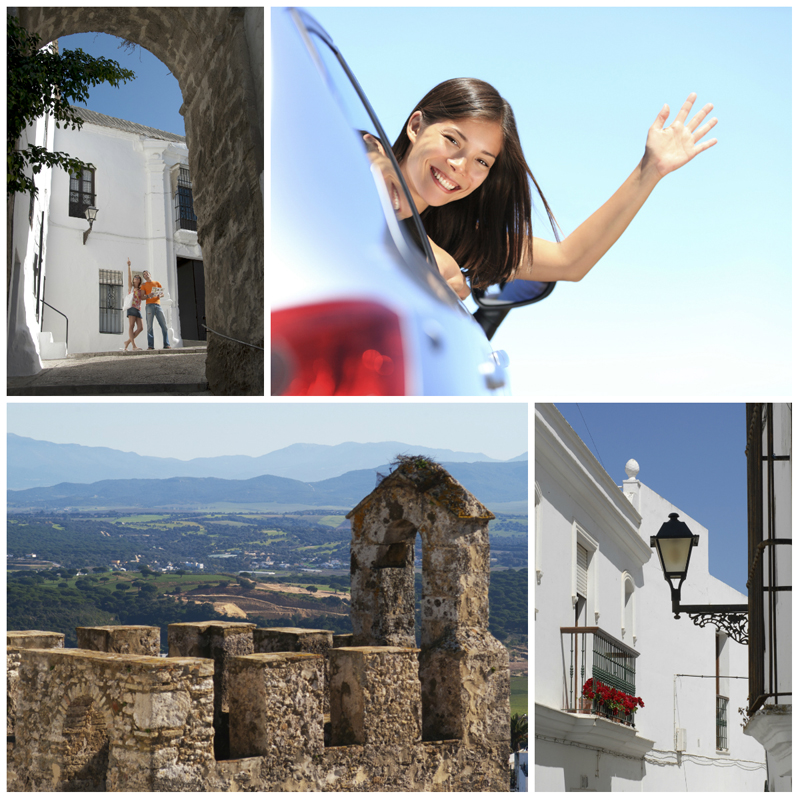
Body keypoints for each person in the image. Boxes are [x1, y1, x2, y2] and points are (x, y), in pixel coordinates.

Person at [384, 78, 718, 297]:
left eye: (482, 161)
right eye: (452, 140)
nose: (461, 167)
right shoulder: (359, 157)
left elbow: (568, 261)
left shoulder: (461, 235)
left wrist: (650, 170)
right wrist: (429, 253)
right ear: (416, 126)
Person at [140, 269, 171, 350]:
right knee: (149, 326)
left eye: (146, 273)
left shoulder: (157, 283)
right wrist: (148, 295)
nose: (145, 275)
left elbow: (162, 293)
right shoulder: (143, 285)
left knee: (164, 325)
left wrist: (159, 296)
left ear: (150, 274)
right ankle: (150, 346)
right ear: (144, 277)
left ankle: (166, 344)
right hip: (149, 306)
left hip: (158, 305)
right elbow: (142, 297)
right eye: (144, 274)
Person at [123, 258, 145, 351]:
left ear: (139, 281)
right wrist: (129, 266)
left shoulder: (141, 290)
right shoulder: (131, 288)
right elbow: (129, 276)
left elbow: (143, 298)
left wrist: (151, 295)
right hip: (131, 307)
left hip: (138, 309)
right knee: (131, 326)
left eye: (138, 278)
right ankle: (133, 345)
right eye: (135, 277)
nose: (136, 278)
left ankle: (128, 341)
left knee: (140, 328)